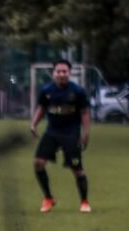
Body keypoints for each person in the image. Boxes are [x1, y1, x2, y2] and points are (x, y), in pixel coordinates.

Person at [29, 59, 92, 213]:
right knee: (38, 163)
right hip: (52, 132)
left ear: (69, 73)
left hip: (71, 133)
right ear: (53, 73)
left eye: (65, 71)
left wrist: (85, 133)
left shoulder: (77, 91)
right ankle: (48, 198)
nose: (61, 74)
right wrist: (34, 124)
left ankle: (84, 202)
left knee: (77, 169)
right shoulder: (46, 90)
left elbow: (84, 113)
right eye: (59, 71)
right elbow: (42, 109)